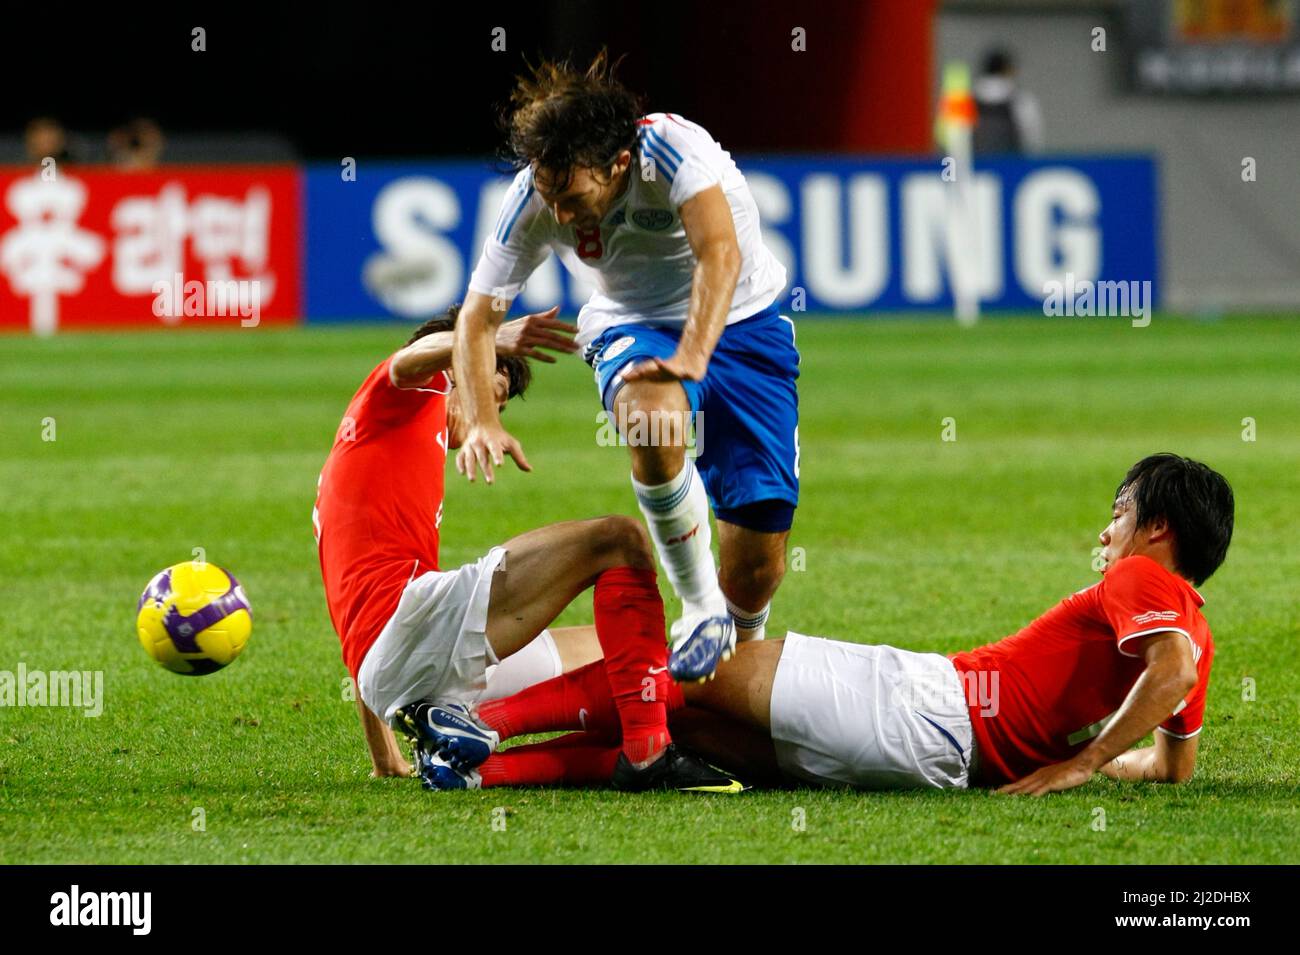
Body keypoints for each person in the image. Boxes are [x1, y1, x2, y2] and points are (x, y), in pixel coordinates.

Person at [421, 454, 1232, 795]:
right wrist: (1087, 754)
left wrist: (1081, 763)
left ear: (1158, 528)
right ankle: (478, 774)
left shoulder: (1143, 581)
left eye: (1119, 512)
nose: (1106, 532)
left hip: (929, 703)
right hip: (932, 761)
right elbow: (1170, 768)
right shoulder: (1196, 624)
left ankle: (479, 723)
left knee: (689, 672)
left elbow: (1170, 671)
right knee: (685, 731)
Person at [451, 51, 797, 683]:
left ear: (616, 165)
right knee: (650, 420)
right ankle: (698, 611)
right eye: (549, 194)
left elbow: (718, 254)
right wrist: (479, 421)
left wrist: (691, 356)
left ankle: (738, 655)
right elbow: (477, 319)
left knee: (758, 566)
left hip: (744, 318)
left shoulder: (671, 151)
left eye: (572, 195)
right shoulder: (532, 195)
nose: (557, 214)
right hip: (629, 319)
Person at [314, 304, 741, 792]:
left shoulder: (364, 459)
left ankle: (463, 751)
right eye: (493, 396)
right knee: (620, 539)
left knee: (625, 657)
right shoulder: (408, 395)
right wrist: (482, 339)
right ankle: (647, 755)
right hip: (415, 626)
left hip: (403, 666)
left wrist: (385, 757)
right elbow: (409, 360)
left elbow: (361, 631)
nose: (493, 414)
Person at [972, 49, 1044, 155]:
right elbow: (1032, 136)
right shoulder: (1020, 99)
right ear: (1008, 69)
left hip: (975, 165)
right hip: (1011, 164)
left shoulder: (968, 98)